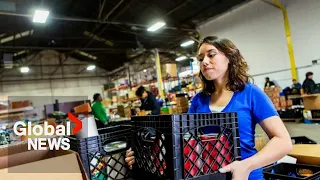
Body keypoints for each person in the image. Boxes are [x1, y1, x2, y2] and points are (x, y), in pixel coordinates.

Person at [126, 36, 292, 180]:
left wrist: (246, 166)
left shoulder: (250, 93)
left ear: (230, 57)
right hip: (207, 175)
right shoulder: (199, 100)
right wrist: (146, 154)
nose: (204, 61)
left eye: (211, 55)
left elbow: (283, 142)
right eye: (200, 59)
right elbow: (185, 143)